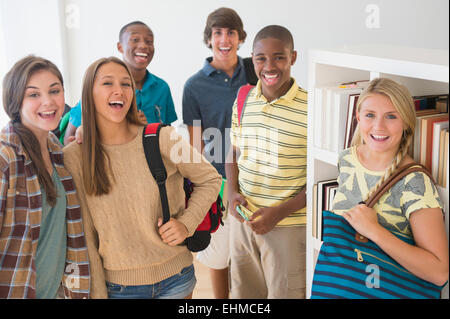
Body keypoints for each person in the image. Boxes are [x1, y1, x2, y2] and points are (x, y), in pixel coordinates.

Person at [63, 56, 222, 299]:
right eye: (107, 83)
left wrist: (186, 224)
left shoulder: (163, 137)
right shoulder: (74, 157)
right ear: (89, 93)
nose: (119, 90)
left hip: (176, 278)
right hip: (117, 289)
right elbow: (84, 232)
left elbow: (210, 179)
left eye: (126, 84)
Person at [331, 77, 448, 288]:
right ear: (358, 117)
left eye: (391, 116)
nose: (379, 126)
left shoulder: (414, 182)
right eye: (370, 115)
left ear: (405, 122)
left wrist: (373, 230)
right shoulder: (347, 159)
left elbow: (439, 273)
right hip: (343, 285)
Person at [225, 25, 308, 298]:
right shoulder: (243, 99)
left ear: (293, 57)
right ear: (252, 58)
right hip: (244, 223)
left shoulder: (311, 107)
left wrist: (280, 212)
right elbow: (233, 153)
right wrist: (231, 193)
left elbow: (322, 179)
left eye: (279, 57)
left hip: (287, 226)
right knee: (244, 295)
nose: (269, 66)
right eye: (261, 58)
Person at [0, 55, 90, 299]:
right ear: (14, 100)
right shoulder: (5, 158)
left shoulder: (56, 149)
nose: (48, 102)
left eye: (54, 90)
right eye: (34, 94)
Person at [182, 7, 250, 299]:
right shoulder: (194, 86)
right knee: (219, 258)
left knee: (250, 258)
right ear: (208, 39)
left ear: (240, 37)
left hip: (256, 177)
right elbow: (195, 147)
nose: (224, 39)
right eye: (217, 33)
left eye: (231, 32)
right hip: (218, 182)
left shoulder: (256, 71)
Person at [64, 20, 177, 145]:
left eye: (149, 41)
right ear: (120, 47)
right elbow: (69, 140)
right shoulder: (99, 88)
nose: (143, 45)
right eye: (134, 40)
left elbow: (167, 135)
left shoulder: (162, 88)